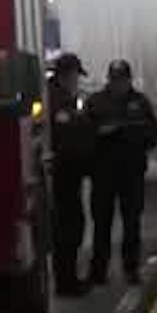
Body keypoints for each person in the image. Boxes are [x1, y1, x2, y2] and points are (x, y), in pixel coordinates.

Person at [83, 59, 157, 286]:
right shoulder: (95, 102)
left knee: (132, 224)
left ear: (129, 79)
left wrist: (136, 135)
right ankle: (98, 272)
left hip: (131, 173)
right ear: (109, 79)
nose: (119, 84)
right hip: (103, 174)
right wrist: (101, 133)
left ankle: (131, 269)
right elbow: (83, 135)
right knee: (102, 225)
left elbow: (154, 133)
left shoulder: (140, 102)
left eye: (123, 80)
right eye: (115, 80)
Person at [46, 51, 95, 298]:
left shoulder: (62, 97)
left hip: (68, 175)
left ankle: (69, 280)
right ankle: (66, 283)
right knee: (68, 229)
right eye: (76, 76)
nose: (77, 81)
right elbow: (67, 138)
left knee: (71, 226)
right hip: (63, 175)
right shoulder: (56, 100)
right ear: (67, 75)